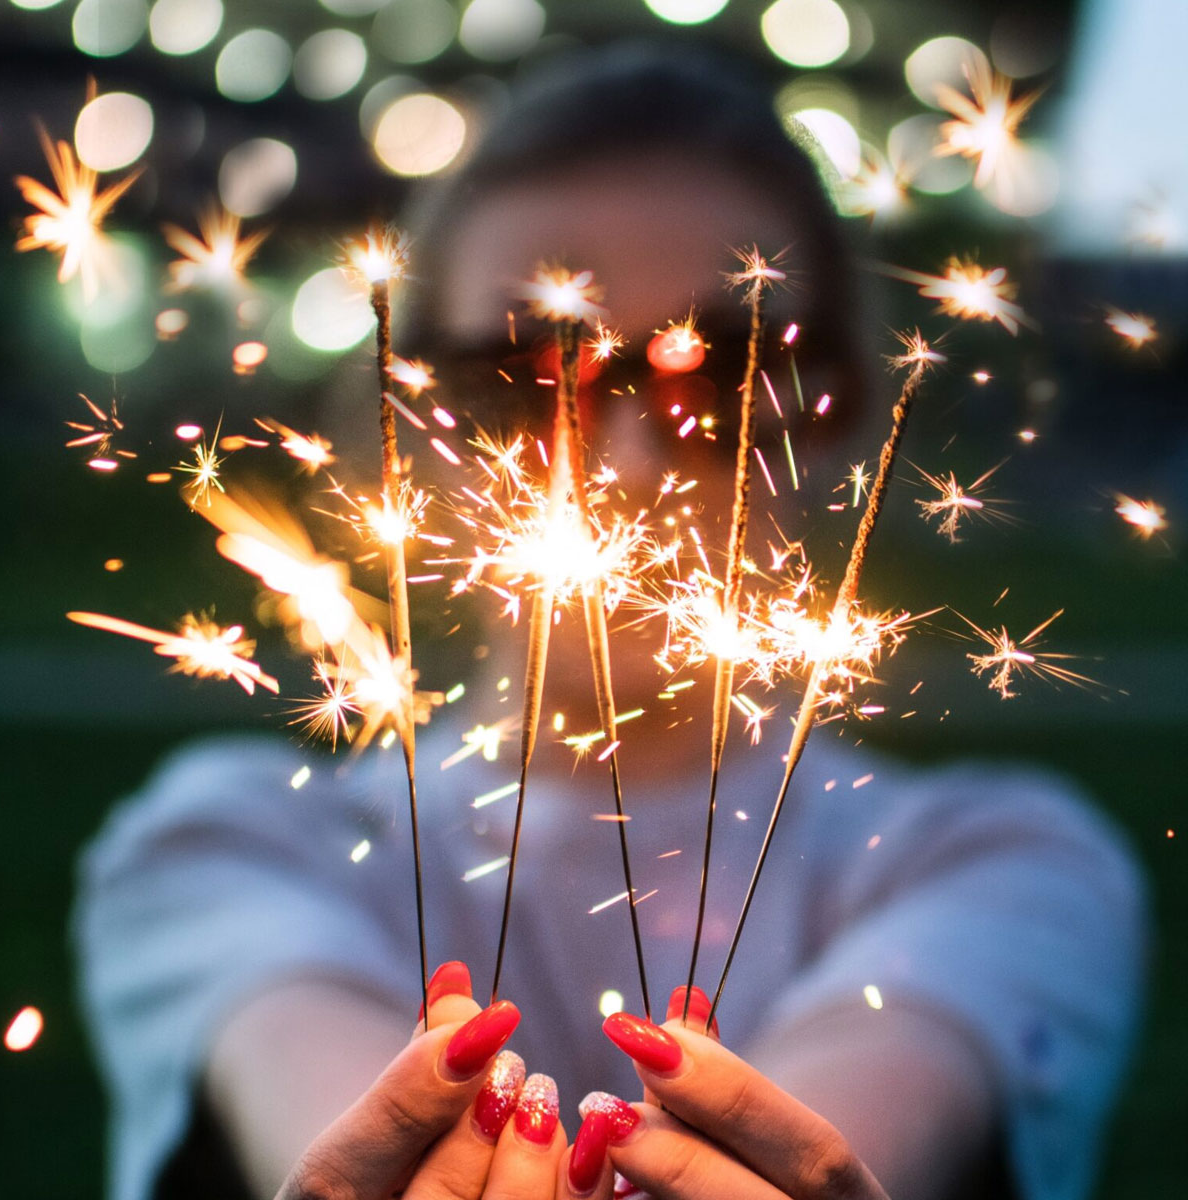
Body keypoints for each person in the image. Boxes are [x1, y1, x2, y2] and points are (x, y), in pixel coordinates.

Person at [73, 43, 1146, 1200]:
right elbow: (320, 1108)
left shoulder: (998, 864)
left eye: (726, 368)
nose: (627, 455)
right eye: (534, 368)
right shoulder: (225, 848)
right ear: (413, 420)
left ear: (835, 418)